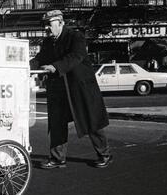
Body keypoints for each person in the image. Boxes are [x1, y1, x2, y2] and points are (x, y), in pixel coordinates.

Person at [30, 10, 113, 169]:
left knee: (91, 121)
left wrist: (55, 66)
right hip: (59, 88)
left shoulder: (75, 37)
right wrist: (25, 66)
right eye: (45, 25)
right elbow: (40, 58)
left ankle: (105, 155)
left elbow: (76, 56)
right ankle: (57, 158)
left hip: (79, 86)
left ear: (60, 23)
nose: (46, 28)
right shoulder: (48, 42)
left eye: (49, 24)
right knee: (57, 123)